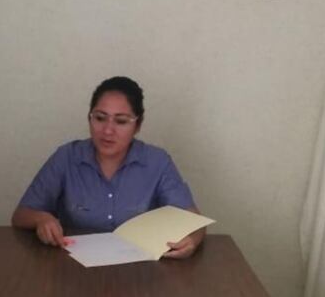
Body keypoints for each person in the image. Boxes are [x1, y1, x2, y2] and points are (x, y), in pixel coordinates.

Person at [11, 76, 205, 258]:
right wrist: (41, 219)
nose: (108, 131)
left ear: (138, 125)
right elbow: (20, 215)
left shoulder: (157, 162)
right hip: (73, 266)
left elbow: (194, 221)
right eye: (100, 118)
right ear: (89, 118)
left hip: (140, 270)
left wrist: (192, 242)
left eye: (121, 121)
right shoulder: (66, 157)